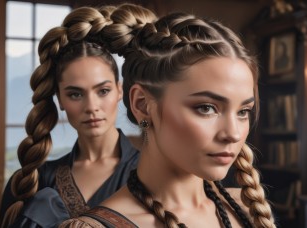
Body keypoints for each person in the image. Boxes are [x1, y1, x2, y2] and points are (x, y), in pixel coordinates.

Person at [59, 4, 276, 228]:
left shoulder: (244, 207)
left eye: (243, 112)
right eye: (206, 108)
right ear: (142, 105)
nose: (233, 133)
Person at [0, 5, 157, 228]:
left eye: (103, 91)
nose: (91, 106)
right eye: (75, 94)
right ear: (60, 100)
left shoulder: (153, 173)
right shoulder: (34, 181)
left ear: (120, 91)